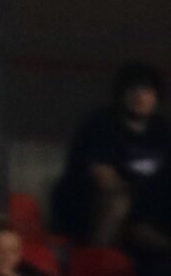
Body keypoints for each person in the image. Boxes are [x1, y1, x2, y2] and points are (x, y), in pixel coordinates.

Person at [52, 61, 171, 246]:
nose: (140, 97)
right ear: (121, 93)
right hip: (89, 204)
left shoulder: (161, 130)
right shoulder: (100, 124)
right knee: (119, 203)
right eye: (133, 90)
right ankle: (98, 258)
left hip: (147, 207)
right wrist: (144, 196)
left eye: (147, 92)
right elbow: (104, 179)